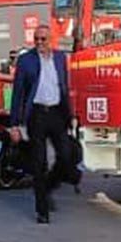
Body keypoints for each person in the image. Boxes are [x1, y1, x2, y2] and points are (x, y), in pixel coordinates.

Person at [9, 24, 74, 224]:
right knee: (39, 163)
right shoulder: (26, 60)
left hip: (56, 113)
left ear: (51, 40)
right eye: (36, 39)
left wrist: (70, 115)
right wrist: (15, 125)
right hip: (36, 114)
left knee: (66, 157)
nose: (39, 43)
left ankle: (46, 187)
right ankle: (42, 211)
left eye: (43, 39)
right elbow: (18, 94)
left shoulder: (60, 58)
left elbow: (64, 87)